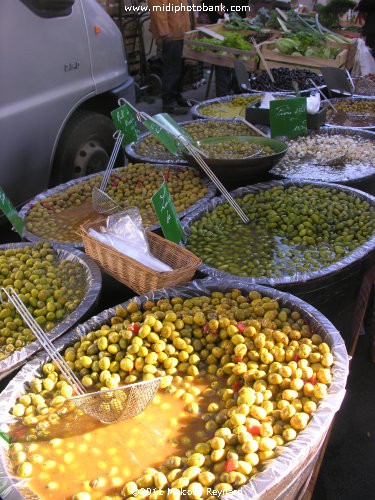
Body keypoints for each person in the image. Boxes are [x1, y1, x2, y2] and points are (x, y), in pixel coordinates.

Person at [149, 0, 195, 114]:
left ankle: (176, 96)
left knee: (180, 68)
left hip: (182, 33)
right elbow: (157, 7)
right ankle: (168, 103)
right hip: (172, 35)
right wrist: (164, 31)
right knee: (172, 69)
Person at [200, 1, 250, 96]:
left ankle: (238, 90)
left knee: (239, 61)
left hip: (239, 30)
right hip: (220, 32)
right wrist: (215, 6)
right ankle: (223, 95)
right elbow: (204, 5)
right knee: (223, 62)